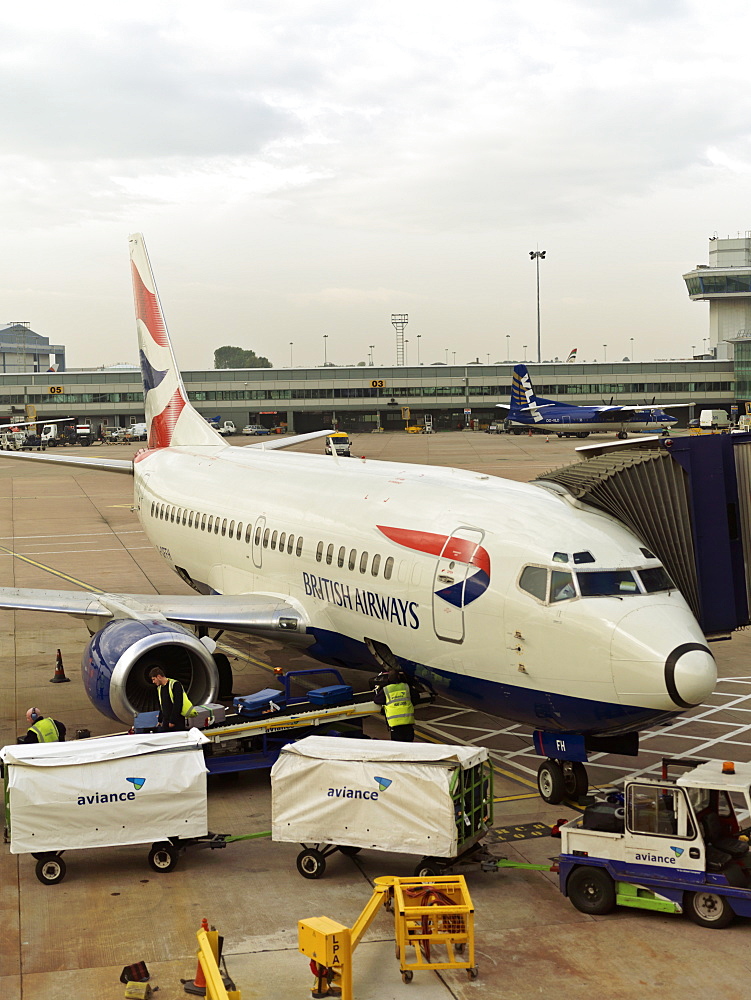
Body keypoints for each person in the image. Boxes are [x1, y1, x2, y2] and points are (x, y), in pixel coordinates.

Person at [373, 668, 415, 742]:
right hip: (408, 722)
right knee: (409, 744)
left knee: (398, 745)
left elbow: (377, 700)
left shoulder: (386, 689)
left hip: (395, 724)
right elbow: (416, 697)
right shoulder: (406, 687)